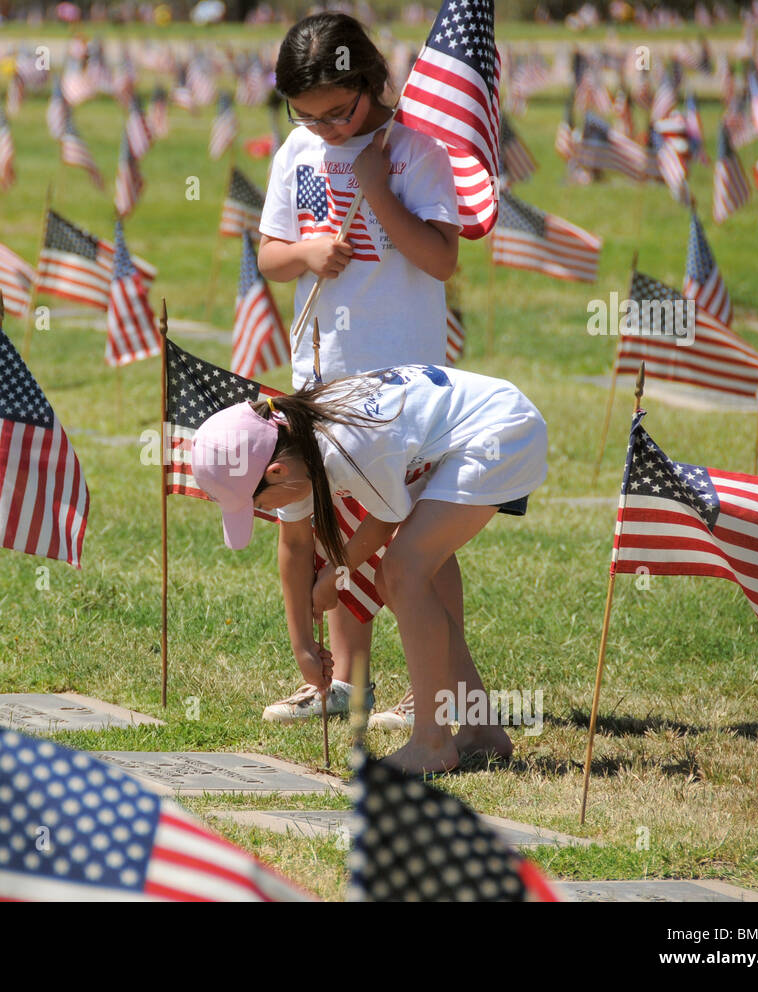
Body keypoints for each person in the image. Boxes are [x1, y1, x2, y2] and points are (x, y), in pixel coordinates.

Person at [256, 11, 462, 729]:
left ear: (371, 81)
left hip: (404, 379)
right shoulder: (297, 152)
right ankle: (346, 683)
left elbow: (441, 257)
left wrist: (376, 189)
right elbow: (269, 257)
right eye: (308, 115)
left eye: (340, 112)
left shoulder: (415, 153)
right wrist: (308, 255)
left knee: (414, 533)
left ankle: (433, 691)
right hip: (322, 374)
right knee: (331, 527)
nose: (327, 129)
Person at [192, 366, 547, 775]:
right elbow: (294, 543)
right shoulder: (292, 441)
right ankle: (481, 731)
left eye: (261, 504)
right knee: (404, 574)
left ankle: (433, 742)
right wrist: (304, 648)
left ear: (276, 473)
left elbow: (384, 520)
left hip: (501, 432)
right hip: (466, 434)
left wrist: (333, 575)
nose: (266, 512)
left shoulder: (350, 446)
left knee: (401, 573)